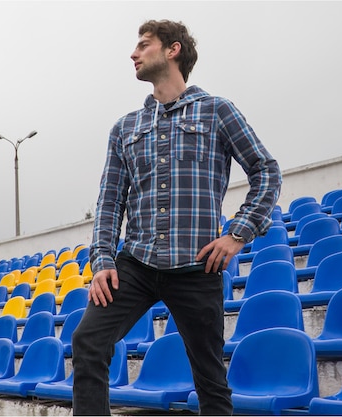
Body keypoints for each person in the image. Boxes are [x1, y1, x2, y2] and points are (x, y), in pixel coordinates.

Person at [71, 19, 282, 416]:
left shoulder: (217, 110)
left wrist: (237, 234)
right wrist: (101, 260)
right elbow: (109, 202)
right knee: (88, 341)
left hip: (196, 265)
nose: (134, 53)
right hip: (135, 262)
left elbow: (266, 171)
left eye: (143, 44)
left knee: (210, 380)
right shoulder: (125, 128)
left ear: (173, 50)